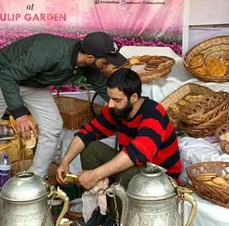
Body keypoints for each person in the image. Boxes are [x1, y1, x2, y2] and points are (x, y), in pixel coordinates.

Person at [0, 32, 127, 226]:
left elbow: (106, 90)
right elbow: (8, 75)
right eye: (106, 61)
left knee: (53, 126)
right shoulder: (47, 53)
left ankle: (36, 186)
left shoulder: (88, 64)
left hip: (31, 84)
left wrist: (129, 109)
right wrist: (19, 114)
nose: (108, 65)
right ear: (90, 57)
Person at [56, 68, 181, 224]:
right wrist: (65, 161)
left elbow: (137, 153)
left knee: (127, 175)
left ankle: (118, 220)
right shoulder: (118, 110)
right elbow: (86, 133)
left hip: (160, 177)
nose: (110, 104)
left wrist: (95, 175)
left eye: (116, 100)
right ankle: (102, 209)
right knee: (91, 149)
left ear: (134, 97)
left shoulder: (154, 113)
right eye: (110, 98)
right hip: (136, 165)